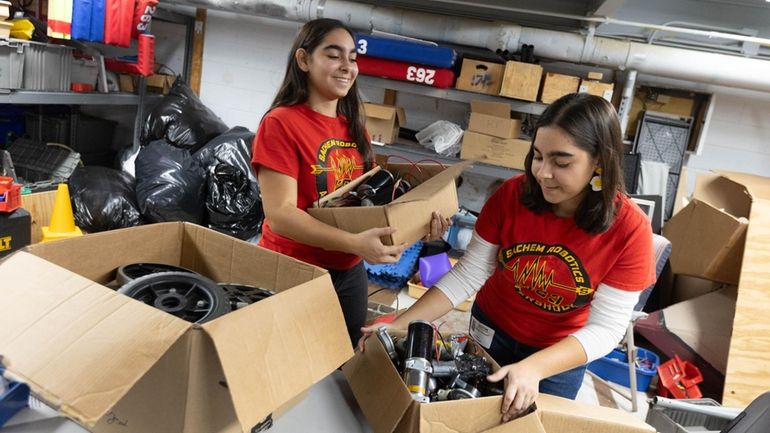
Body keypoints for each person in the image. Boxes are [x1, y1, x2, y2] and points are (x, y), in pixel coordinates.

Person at [360, 93, 655, 421]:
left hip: (558, 355)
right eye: (538, 156)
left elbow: (606, 328)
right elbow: (469, 273)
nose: (543, 173)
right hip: (491, 331)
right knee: (461, 415)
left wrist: (535, 368)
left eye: (561, 162)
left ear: (599, 160)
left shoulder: (629, 229)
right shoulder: (513, 194)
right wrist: (400, 323)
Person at [251, 18, 450, 346]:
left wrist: (419, 227)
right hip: (293, 268)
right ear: (303, 60)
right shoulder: (281, 123)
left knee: (341, 357)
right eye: (334, 55)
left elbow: (366, 204)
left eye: (353, 58)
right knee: (287, 358)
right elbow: (281, 215)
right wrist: (355, 243)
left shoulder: (353, 127)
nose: (347, 66)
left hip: (348, 271)